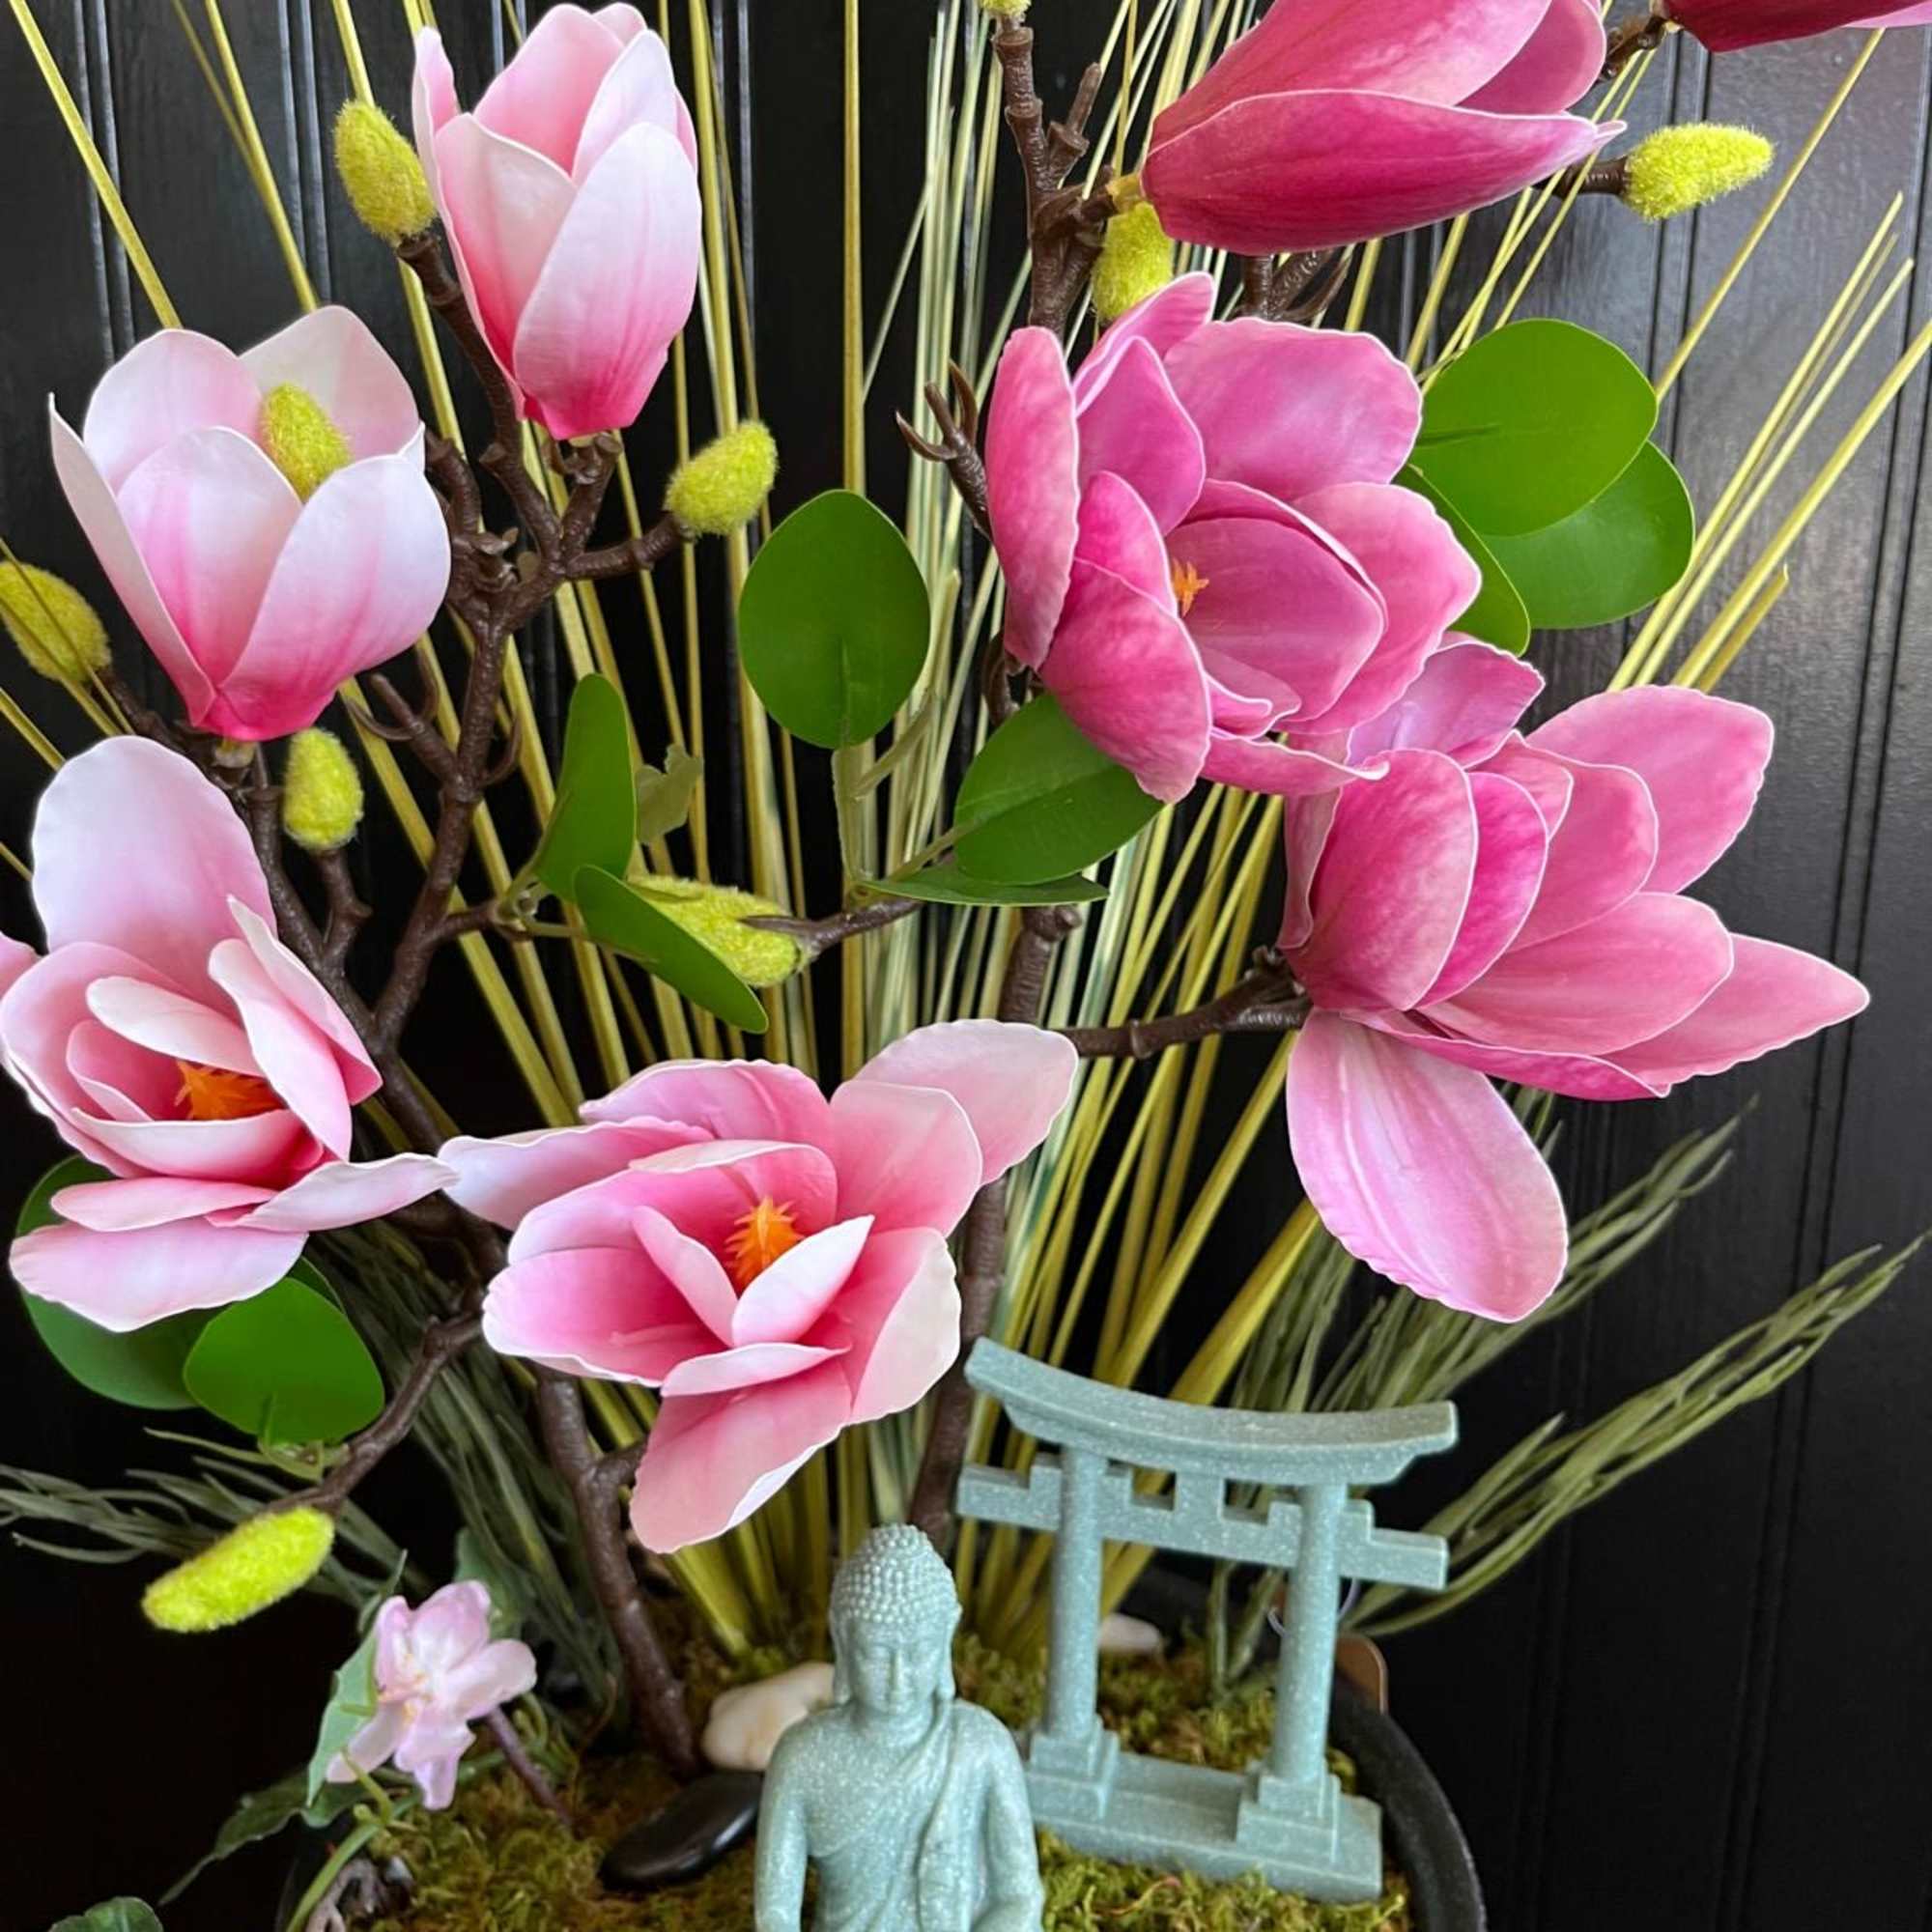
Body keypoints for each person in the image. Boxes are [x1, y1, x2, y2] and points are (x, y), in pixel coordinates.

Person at [755, 1524, 1044, 1932]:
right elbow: (774, 1915)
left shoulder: (980, 1745)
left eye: (919, 1651)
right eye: (875, 1652)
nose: (898, 1678)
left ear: (946, 1635)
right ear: (843, 1637)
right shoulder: (803, 1757)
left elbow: (1020, 1897)